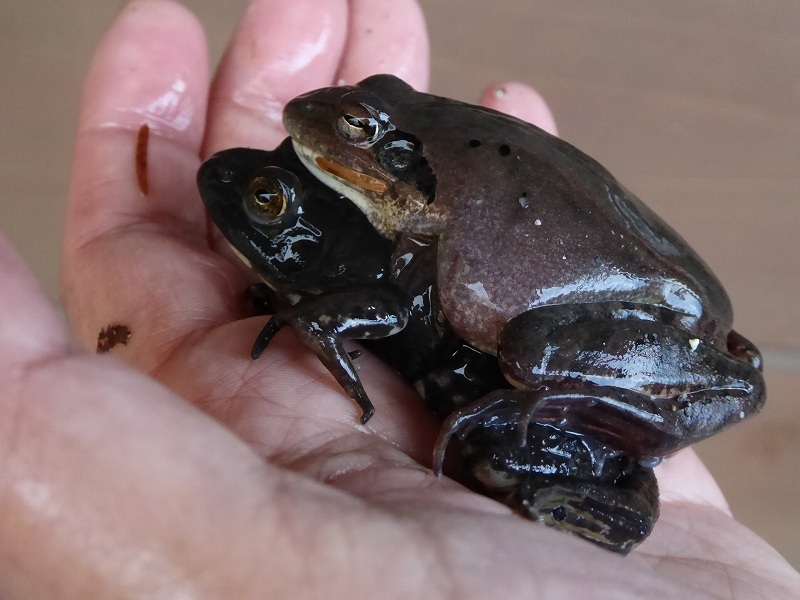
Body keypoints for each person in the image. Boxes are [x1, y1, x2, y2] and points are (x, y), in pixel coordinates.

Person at [0, 0, 796, 596]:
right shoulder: (406, 220)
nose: (321, 128)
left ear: (406, 157)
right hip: (666, 302)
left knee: (528, 351)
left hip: (650, 324)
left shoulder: (426, 227)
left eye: (361, 127)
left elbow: (400, 303)